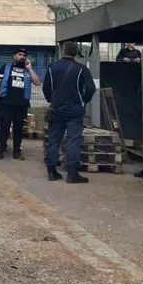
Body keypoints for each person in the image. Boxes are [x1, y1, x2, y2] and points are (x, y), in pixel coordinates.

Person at [42, 40, 97, 183]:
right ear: (76, 53)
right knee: (73, 139)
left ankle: (52, 171)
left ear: (63, 51)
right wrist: (83, 100)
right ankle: (72, 173)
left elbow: (46, 87)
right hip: (74, 109)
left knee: (54, 139)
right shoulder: (81, 69)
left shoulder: (52, 67)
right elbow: (90, 88)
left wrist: (51, 100)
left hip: (56, 108)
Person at [0, 48, 42, 160]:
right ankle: (0, 151)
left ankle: (17, 152)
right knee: (4, 128)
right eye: (19, 54)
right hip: (6, 103)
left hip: (21, 105)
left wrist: (30, 68)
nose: (22, 57)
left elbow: (38, 82)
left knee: (18, 129)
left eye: (24, 55)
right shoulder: (6, 67)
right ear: (14, 56)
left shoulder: (27, 70)